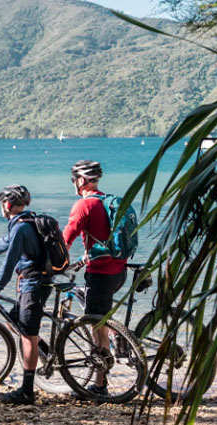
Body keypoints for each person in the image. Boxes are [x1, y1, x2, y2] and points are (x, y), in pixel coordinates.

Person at [0, 184, 51, 405]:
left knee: (28, 335)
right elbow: (3, 245)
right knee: (16, 322)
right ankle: (48, 352)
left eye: (2, 204)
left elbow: (9, 261)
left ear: (8, 204)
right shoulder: (25, 222)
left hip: (33, 285)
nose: (2, 208)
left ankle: (27, 391)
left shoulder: (20, 228)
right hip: (36, 282)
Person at [62, 160, 127, 397]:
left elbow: (64, 241)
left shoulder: (83, 205)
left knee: (96, 327)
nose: (73, 185)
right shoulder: (108, 201)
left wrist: (52, 264)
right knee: (101, 318)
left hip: (100, 274)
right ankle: (116, 333)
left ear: (80, 181)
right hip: (119, 272)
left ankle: (100, 386)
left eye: (73, 180)